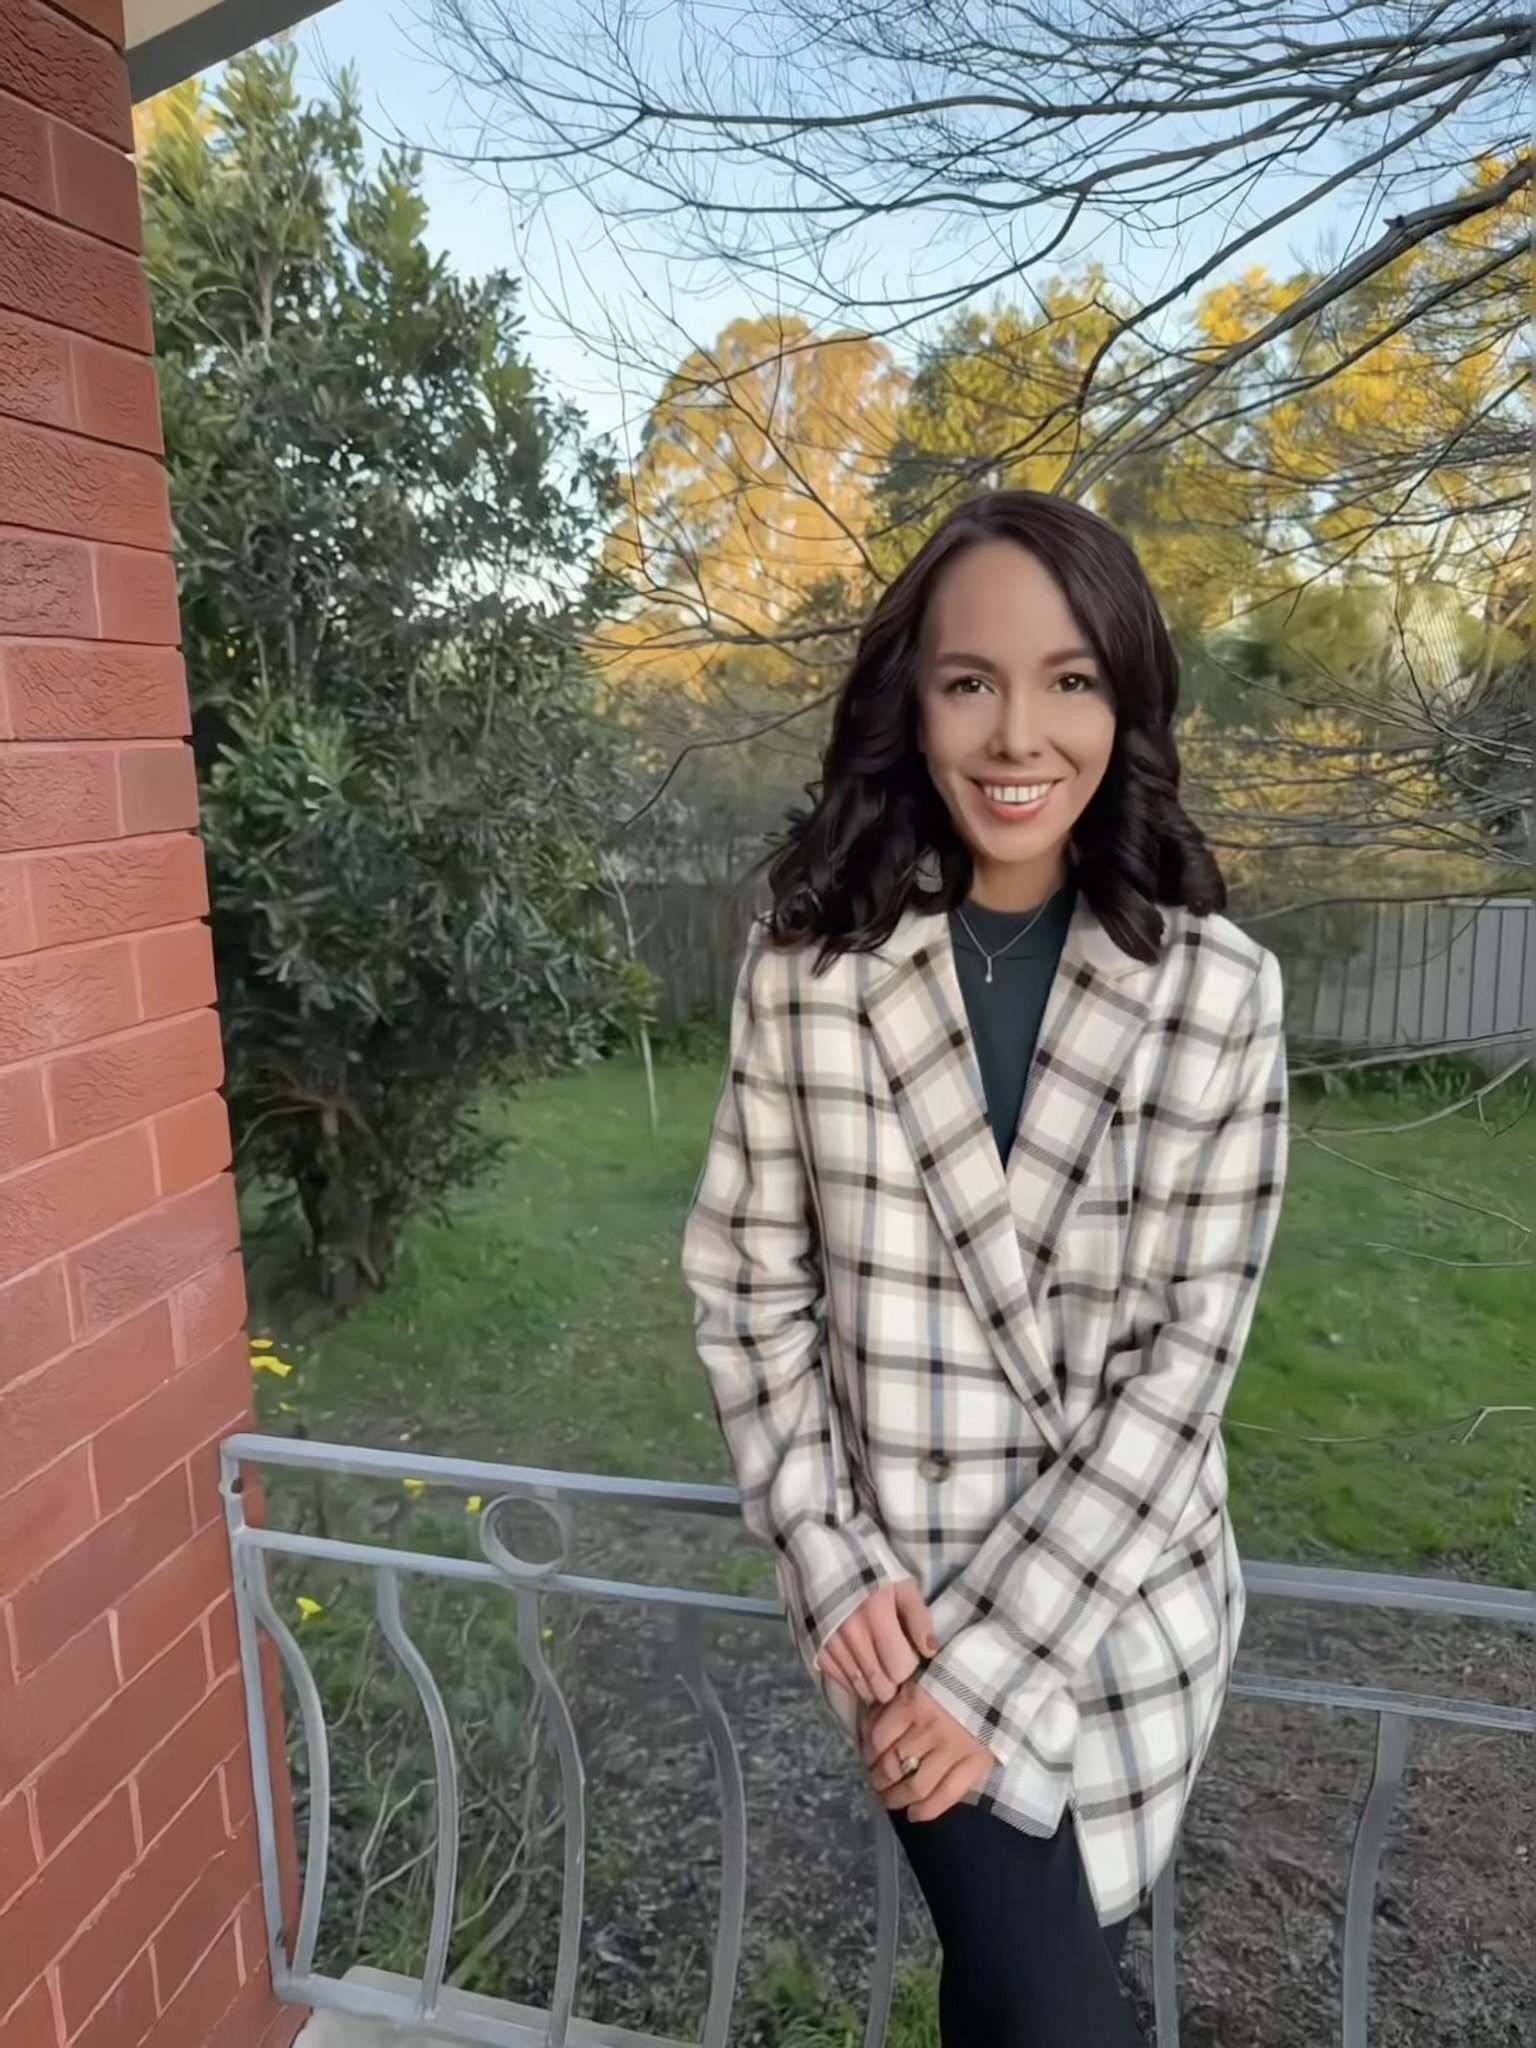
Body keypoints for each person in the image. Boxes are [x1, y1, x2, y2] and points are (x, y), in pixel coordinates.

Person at [681, 489, 1290, 2047]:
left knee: (1021, 2001)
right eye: (972, 682)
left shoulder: (1217, 993)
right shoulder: (810, 968)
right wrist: (824, 1554)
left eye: (1071, 680)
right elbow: (750, 1290)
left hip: (1119, 1593)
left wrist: (1003, 1672)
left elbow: (1187, 1365)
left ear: (1127, 702)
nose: (1019, 735)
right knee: (1053, 2010)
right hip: (902, 1600)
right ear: (915, 699)